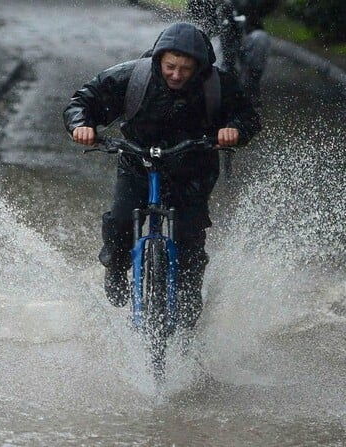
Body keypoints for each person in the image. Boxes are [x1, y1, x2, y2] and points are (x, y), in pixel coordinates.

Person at [63, 22, 261, 329]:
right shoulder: (132, 76)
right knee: (120, 221)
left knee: (190, 236)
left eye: (185, 69)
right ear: (159, 60)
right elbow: (82, 101)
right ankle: (115, 266)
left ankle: (189, 293)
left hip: (193, 168)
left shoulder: (218, 85)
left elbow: (248, 115)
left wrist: (235, 130)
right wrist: (82, 126)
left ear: (200, 67)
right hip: (137, 163)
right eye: (170, 66)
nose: (177, 75)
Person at [187, 0, 279, 104]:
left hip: (247, 34)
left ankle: (249, 89)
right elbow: (194, 10)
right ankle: (216, 87)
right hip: (217, 37)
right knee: (215, 54)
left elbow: (266, 7)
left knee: (261, 39)